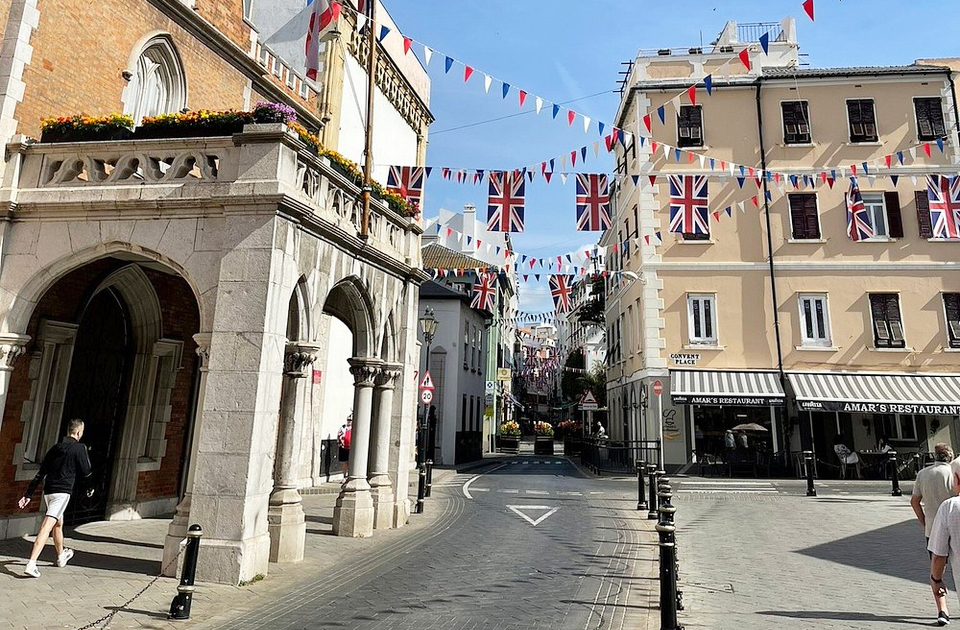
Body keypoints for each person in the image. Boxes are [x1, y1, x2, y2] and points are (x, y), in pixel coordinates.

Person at [17, 418, 93, 578]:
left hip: (49, 491)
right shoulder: (80, 448)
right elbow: (87, 471)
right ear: (79, 432)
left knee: (58, 523)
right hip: (62, 493)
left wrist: (28, 494)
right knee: (46, 526)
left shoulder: (55, 448)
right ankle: (31, 563)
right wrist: (90, 488)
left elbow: (41, 472)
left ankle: (60, 556)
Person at [914, 443, 957, 625]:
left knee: (937, 571)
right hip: (956, 525)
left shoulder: (923, 474)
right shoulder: (953, 473)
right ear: (950, 455)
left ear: (934, 456)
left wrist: (924, 521)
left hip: (932, 529)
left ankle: (942, 610)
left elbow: (915, 501)